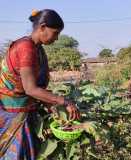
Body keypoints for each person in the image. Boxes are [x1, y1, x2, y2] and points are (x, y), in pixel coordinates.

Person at [0, 9, 80, 159]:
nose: (56, 38)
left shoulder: (38, 50)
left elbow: (39, 87)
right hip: (13, 115)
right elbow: (31, 89)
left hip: (26, 112)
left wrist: (51, 105)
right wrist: (64, 101)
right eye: (55, 33)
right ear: (42, 27)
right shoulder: (26, 48)